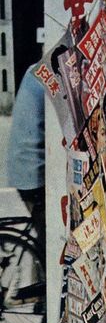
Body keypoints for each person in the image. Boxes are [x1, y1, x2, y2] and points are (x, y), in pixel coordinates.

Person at [7, 64, 45, 255]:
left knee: (42, 233)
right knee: (52, 241)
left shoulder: (35, 69)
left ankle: (40, 274)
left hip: (23, 165)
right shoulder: (51, 75)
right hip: (33, 171)